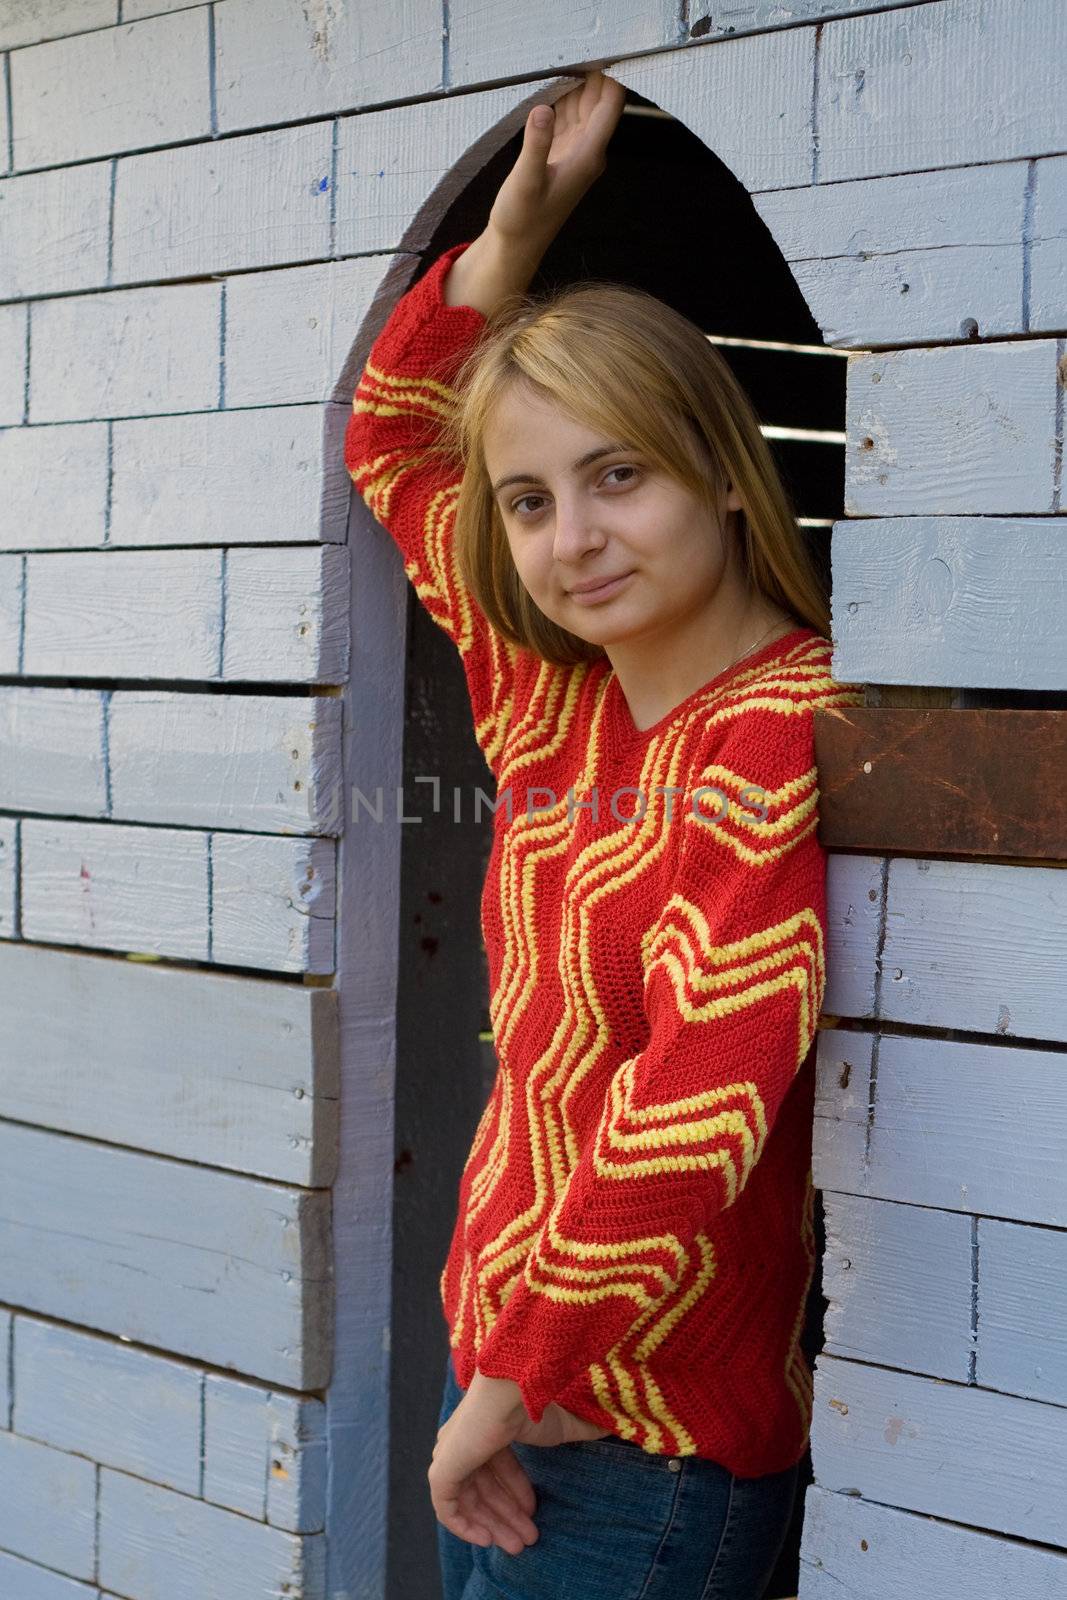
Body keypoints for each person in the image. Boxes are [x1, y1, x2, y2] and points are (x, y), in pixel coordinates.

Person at [345, 68, 864, 1600]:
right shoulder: (551, 704)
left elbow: (698, 1108)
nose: (570, 540)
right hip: (510, 1393)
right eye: (526, 499)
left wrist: (504, 1393)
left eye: (616, 476)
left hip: (648, 1460)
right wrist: (517, 229)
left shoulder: (777, 731)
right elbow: (389, 433)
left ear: (716, 461)